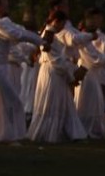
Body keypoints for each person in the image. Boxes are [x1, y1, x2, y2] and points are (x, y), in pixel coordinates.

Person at [0, 0, 43, 145]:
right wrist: (40, 41)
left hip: (0, 66)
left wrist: (38, 40)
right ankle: (10, 136)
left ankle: (4, 135)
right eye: (5, 0)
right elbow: (17, 35)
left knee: (3, 102)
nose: (7, 3)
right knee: (12, 101)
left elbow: (21, 32)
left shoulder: (4, 21)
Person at [27, 11, 87, 143]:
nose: (63, 27)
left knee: (62, 102)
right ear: (57, 21)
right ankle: (50, 133)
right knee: (52, 102)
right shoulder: (49, 34)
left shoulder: (51, 34)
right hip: (52, 72)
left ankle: (70, 132)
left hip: (56, 72)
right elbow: (55, 59)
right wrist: (71, 75)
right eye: (63, 24)